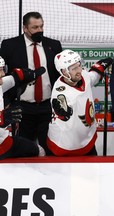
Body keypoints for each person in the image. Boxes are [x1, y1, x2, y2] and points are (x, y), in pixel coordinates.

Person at [0, 12, 63, 155]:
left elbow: (60, 76)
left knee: (50, 150)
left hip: (48, 107)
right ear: (25, 28)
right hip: (22, 108)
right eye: (35, 27)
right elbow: (3, 77)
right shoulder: (9, 45)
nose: (39, 30)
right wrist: (8, 103)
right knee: (24, 153)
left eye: (41, 26)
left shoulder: (53, 45)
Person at [47, 49, 113, 156]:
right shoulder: (61, 93)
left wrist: (102, 64)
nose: (79, 70)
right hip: (65, 146)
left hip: (87, 142)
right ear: (64, 71)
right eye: (74, 68)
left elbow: (93, 77)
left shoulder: (82, 76)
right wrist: (63, 113)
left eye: (79, 65)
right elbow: (61, 109)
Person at [0, 56, 46, 159]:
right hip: (4, 146)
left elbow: (14, 78)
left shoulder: (1, 83)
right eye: (0, 70)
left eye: (3, 69)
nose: (3, 74)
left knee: (39, 150)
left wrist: (26, 75)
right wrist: (1, 118)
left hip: (4, 143)